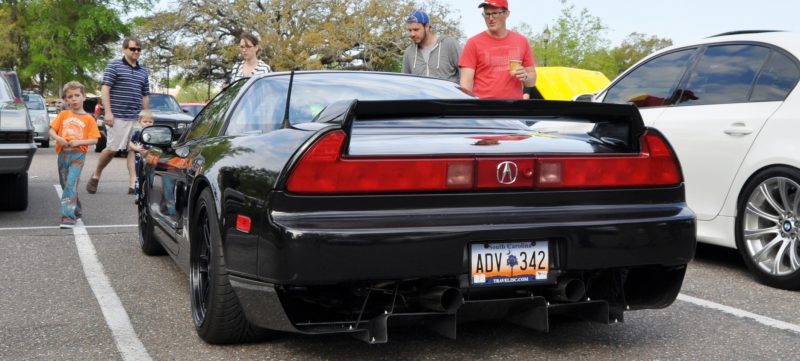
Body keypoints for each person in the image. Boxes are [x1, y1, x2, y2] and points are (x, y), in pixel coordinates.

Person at [86, 37, 150, 195]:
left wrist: (145, 115)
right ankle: (96, 175)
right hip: (117, 116)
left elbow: (145, 95)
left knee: (134, 150)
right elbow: (105, 89)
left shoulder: (143, 71)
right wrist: (108, 112)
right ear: (124, 49)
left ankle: (132, 184)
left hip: (135, 117)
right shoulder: (114, 66)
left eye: (138, 49)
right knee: (112, 150)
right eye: (132, 49)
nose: (136, 52)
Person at [459, 0, 537, 99]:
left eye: (495, 13)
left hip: (513, 109)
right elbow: (465, 84)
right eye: (487, 14)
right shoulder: (473, 43)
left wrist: (525, 76)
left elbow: (532, 81)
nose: (490, 18)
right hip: (483, 109)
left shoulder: (522, 41)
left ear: (507, 14)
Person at [49, 81, 101, 228]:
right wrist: (58, 138)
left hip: (78, 155)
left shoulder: (89, 119)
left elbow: (94, 139)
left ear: (84, 97)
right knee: (64, 183)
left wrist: (79, 142)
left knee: (71, 184)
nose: (74, 99)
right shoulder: (63, 114)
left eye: (77, 95)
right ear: (66, 100)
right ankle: (76, 208)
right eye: (70, 96)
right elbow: (51, 130)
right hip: (63, 154)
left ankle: (68, 217)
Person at [401, 10, 462, 83]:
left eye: (416, 30)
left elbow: (466, 74)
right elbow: (405, 82)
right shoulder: (409, 52)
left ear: (427, 27)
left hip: (449, 94)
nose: (412, 34)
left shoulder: (449, 44)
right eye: (410, 30)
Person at [128, 110, 154, 203]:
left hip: (150, 159)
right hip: (139, 159)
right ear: (140, 122)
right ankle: (137, 195)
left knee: (150, 176)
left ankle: (149, 196)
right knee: (139, 176)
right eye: (145, 121)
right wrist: (137, 148)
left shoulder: (154, 134)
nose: (148, 124)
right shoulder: (137, 133)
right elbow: (130, 143)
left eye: (150, 122)